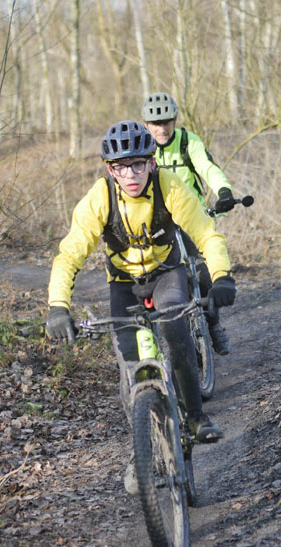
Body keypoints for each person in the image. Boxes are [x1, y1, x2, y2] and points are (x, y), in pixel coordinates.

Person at [46, 120, 236, 494]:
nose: (130, 175)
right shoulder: (100, 198)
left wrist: (221, 276)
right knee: (129, 368)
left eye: (137, 164)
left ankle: (195, 418)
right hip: (124, 285)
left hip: (167, 274)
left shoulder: (170, 187)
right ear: (110, 170)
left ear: (151, 163)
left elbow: (206, 234)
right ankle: (141, 450)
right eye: (121, 167)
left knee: (174, 328)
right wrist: (57, 306)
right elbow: (69, 254)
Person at [142, 91, 235, 356]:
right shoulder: (142, 147)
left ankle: (213, 324)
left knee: (204, 273)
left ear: (174, 120)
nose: (162, 129)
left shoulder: (187, 141)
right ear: (146, 124)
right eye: (156, 124)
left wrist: (224, 191)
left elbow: (207, 168)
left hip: (190, 217)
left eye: (167, 122)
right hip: (156, 223)